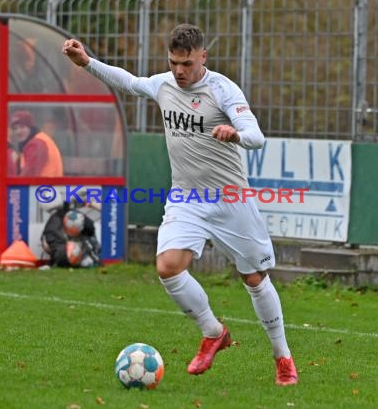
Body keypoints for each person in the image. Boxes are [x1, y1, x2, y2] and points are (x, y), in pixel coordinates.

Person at [63, 24, 298, 385]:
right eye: (174, 62)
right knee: (168, 266)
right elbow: (129, 81)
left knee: (253, 278)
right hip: (186, 197)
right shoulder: (165, 84)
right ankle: (213, 332)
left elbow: (256, 136)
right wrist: (86, 62)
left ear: (203, 57)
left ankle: (282, 356)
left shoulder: (222, 90)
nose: (179, 71)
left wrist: (236, 133)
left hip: (230, 199)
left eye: (187, 63)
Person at [10, 110, 63, 177]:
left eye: (22, 127)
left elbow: (29, 175)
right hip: (49, 185)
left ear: (30, 127)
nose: (18, 131)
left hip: (42, 186)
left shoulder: (36, 144)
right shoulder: (41, 139)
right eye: (15, 128)